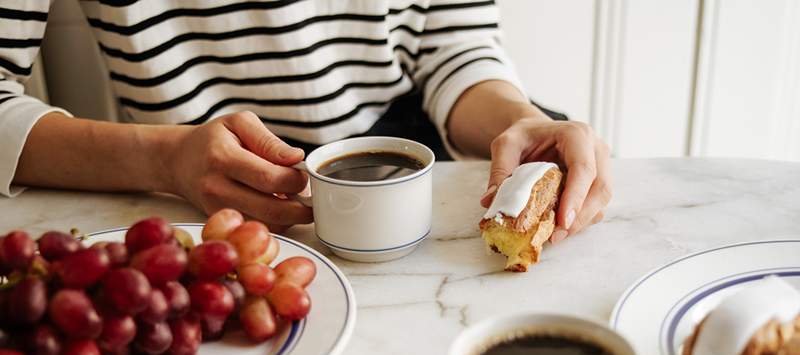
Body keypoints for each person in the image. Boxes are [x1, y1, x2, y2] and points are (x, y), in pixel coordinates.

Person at [0, 1, 610, 242]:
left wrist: (518, 118)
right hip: (191, 215)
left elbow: (450, 44)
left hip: (410, 180)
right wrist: (163, 158)